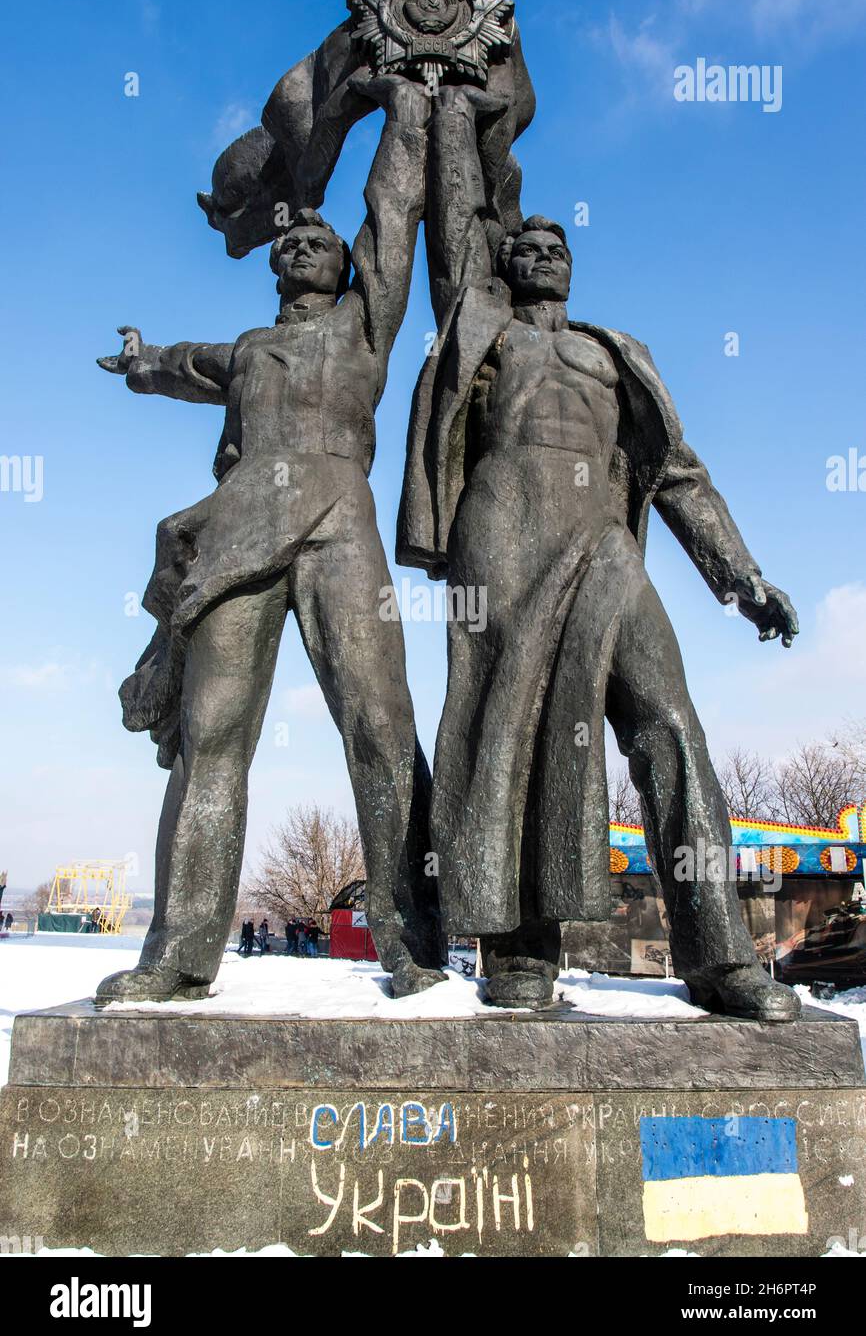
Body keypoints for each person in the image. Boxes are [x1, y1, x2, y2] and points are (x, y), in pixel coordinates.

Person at [398, 88, 802, 1020]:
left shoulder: (618, 354)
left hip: (602, 542)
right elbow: (463, 208)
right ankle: (519, 950)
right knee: (504, 725)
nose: (539, 252)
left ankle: (720, 955)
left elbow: (680, 475)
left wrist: (740, 577)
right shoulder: (483, 334)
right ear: (504, 265)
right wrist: (459, 101)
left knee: (667, 718)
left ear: (575, 268)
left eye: (557, 245)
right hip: (499, 533)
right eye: (523, 246)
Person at [95, 72, 445, 1005]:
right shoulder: (250, 350)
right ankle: (177, 952)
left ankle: (408, 938)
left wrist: (407, 105)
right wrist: (139, 363)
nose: (299, 242)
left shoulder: (367, 330)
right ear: (275, 265)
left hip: (341, 524)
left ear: (344, 267)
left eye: (317, 238)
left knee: (380, 723)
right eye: (289, 238)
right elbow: (179, 365)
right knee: (213, 737)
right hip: (244, 525)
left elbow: (393, 208)